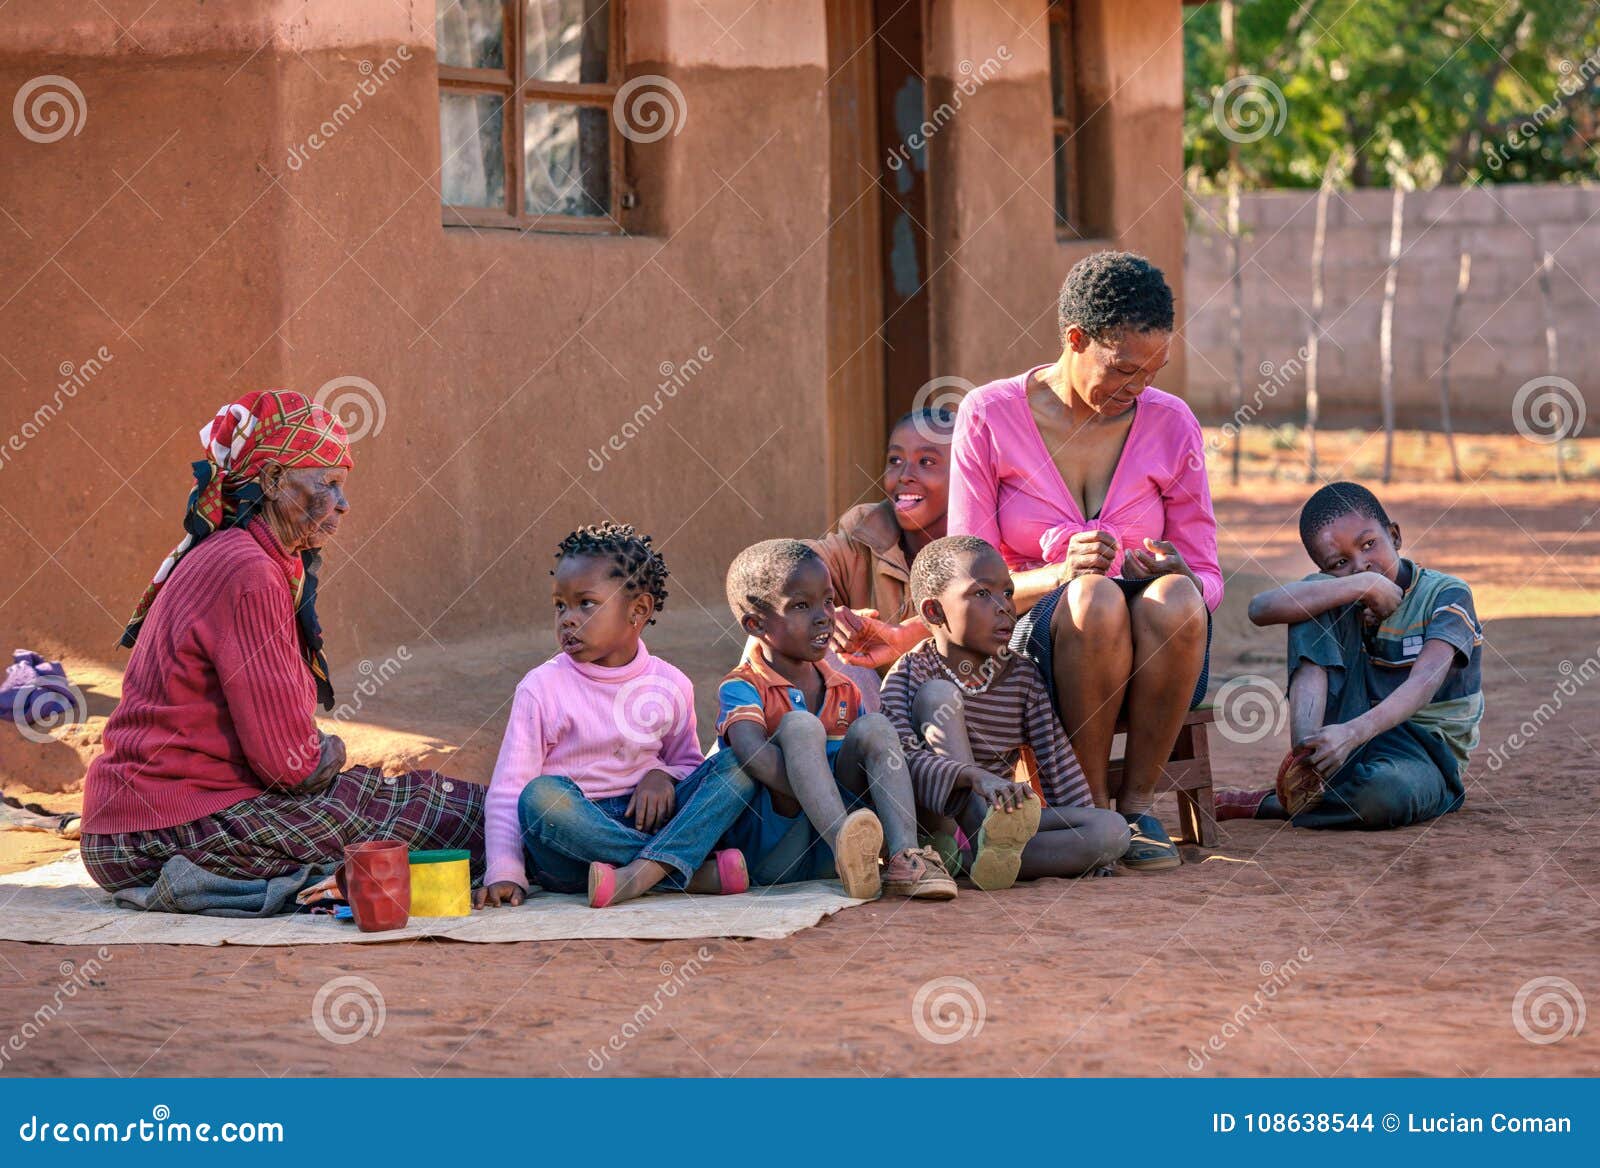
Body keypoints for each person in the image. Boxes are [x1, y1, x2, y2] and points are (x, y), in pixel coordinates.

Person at [80, 390, 483, 894]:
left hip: (134, 825)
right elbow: (290, 765)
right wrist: (329, 752)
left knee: (394, 802)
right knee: (450, 815)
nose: (343, 502)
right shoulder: (248, 571)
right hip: (164, 830)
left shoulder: (241, 555)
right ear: (272, 481)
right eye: (329, 483)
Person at [947, 251, 1220, 872]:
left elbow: (1207, 576)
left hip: (1164, 658)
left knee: (1178, 597)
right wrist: (1061, 575)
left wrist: (1174, 566)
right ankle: (1092, 808)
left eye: (1155, 371)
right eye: (1124, 370)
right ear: (1076, 339)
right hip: (1034, 645)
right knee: (1092, 598)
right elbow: (968, 581)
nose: (1140, 388)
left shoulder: (1172, 424)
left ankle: (1137, 807)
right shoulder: (989, 415)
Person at [477, 523, 754, 909]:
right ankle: (671, 870)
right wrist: (505, 870)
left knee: (739, 765)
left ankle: (639, 876)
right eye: (560, 605)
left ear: (638, 610)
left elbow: (687, 764)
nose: (567, 619)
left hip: (649, 817)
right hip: (575, 846)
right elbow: (510, 790)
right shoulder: (541, 687)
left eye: (585, 603)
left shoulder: (670, 683)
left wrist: (663, 775)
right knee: (540, 797)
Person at [1216, 483, 1482, 829]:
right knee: (1310, 603)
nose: (1361, 565)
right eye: (1340, 563)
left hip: (1425, 754)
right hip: (1341, 737)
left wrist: (1353, 734)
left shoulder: (1447, 594)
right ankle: (1306, 761)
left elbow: (1423, 682)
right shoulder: (1343, 588)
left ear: (1395, 535)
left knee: (1385, 795)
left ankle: (1279, 804)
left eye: (1369, 544)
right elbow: (1260, 608)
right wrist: (1362, 587)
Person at [881, 535, 1131, 889]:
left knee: (1111, 829)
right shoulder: (912, 671)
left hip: (1002, 821)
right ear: (934, 611)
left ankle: (971, 860)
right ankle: (959, 849)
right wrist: (972, 777)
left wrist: (1095, 847)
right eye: (982, 594)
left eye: (1008, 593)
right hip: (938, 824)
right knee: (939, 696)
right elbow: (899, 762)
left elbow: (1057, 763)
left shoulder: (1023, 677)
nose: (1004, 607)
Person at [715, 539, 956, 901]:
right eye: (801, 605)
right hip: (776, 856)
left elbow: (869, 765)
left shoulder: (844, 688)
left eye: (828, 601)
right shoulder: (743, 686)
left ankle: (906, 856)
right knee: (800, 726)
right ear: (755, 623)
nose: (823, 616)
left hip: (833, 857)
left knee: (875, 727)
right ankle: (848, 844)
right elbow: (750, 752)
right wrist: (823, 800)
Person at [812, 406, 958, 700]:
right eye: (895, 460)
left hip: (952, 720)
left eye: (926, 461)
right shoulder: (864, 535)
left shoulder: (987, 550)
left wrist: (907, 635)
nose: (904, 475)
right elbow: (790, 566)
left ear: (966, 471)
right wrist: (823, 614)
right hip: (871, 724)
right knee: (790, 625)